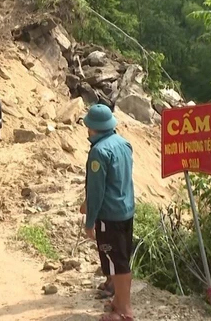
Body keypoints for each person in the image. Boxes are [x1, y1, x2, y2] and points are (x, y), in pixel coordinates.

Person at [82, 104, 135, 321]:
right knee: (122, 259)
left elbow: (97, 192)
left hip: (109, 216)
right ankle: (119, 303)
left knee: (117, 263)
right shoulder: (124, 144)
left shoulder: (98, 152)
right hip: (126, 210)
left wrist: (89, 221)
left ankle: (124, 311)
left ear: (93, 128)